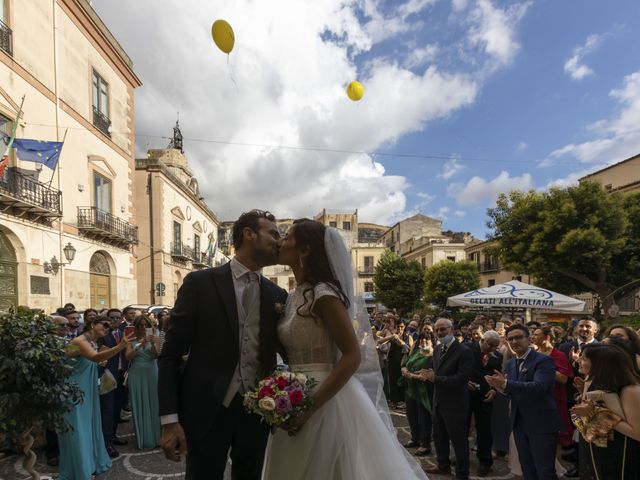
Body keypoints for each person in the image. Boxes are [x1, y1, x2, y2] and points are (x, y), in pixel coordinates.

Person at [262, 219, 427, 479]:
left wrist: (309, 408)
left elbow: (352, 356)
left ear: (305, 250)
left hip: (324, 399)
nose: (281, 241)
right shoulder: (294, 296)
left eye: (288, 236)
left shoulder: (324, 293)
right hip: (292, 393)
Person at [158, 210, 287, 479]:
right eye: (274, 234)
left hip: (258, 412)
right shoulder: (200, 283)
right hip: (206, 410)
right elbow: (170, 355)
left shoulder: (277, 294)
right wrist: (170, 420)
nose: (280, 241)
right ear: (249, 234)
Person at [57, 315, 133, 480]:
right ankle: (79, 470)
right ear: (92, 324)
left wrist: (103, 356)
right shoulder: (80, 341)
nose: (107, 328)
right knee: (77, 431)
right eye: (104, 325)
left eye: (109, 327)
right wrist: (120, 346)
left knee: (88, 428)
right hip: (73, 393)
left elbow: (93, 360)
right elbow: (94, 358)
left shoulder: (92, 342)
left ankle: (89, 464)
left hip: (86, 391)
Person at [485, 324, 562, 480]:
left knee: (545, 470)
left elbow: (539, 387)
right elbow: (512, 390)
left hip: (541, 423)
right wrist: (499, 387)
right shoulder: (511, 364)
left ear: (529, 339)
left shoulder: (544, 360)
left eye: (519, 337)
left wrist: (506, 384)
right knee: (527, 468)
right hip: (519, 423)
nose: (514, 341)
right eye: (511, 338)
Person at [571, 344, 640, 479]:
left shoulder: (630, 390)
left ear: (600, 365)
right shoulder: (590, 381)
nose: (578, 360)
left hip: (621, 458)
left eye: (584, 359)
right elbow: (588, 425)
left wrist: (597, 412)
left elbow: (637, 433)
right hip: (595, 454)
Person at [423, 317, 473, 479]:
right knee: (439, 436)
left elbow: (462, 379)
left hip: (456, 404)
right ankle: (443, 465)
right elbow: (437, 371)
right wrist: (427, 373)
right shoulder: (438, 349)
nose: (439, 333)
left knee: (458, 441)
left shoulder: (464, 351)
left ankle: (462, 474)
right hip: (439, 401)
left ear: (451, 330)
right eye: (437, 330)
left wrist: (435, 379)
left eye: (442, 329)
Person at [532, 327, 574, 453]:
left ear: (547, 337)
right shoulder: (533, 353)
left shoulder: (558, 355)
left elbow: (563, 379)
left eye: (536, 335)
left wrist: (546, 368)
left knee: (555, 436)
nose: (532, 337)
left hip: (554, 399)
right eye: (532, 334)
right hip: (535, 399)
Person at [467, 330, 502, 477]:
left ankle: (485, 461)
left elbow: (498, 376)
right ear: (483, 340)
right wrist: (464, 382)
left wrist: (494, 390)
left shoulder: (498, 356)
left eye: (495, 346)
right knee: (463, 427)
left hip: (486, 397)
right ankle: (461, 455)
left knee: (485, 430)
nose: (492, 349)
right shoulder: (467, 349)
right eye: (490, 345)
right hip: (467, 395)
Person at [125, 315, 161, 449]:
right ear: (136, 326)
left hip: (152, 372)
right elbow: (128, 357)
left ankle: (156, 437)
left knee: (154, 402)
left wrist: (152, 343)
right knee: (139, 403)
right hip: (136, 373)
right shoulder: (131, 338)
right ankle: (143, 439)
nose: (143, 327)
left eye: (145, 324)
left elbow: (155, 356)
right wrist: (141, 344)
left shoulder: (156, 335)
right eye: (140, 325)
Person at [97, 308, 129, 458]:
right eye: (112, 318)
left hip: (121, 376)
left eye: (118, 317)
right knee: (107, 411)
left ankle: (113, 436)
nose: (115, 320)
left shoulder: (124, 335)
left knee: (117, 409)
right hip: (107, 376)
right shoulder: (103, 336)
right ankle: (106, 443)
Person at [401, 331, 436, 456]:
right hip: (411, 389)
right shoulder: (416, 352)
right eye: (421, 340)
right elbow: (405, 363)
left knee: (424, 417)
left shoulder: (434, 356)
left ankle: (425, 444)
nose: (424, 342)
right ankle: (415, 438)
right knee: (412, 415)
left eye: (427, 340)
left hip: (424, 391)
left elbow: (427, 376)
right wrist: (404, 369)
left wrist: (411, 376)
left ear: (432, 341)